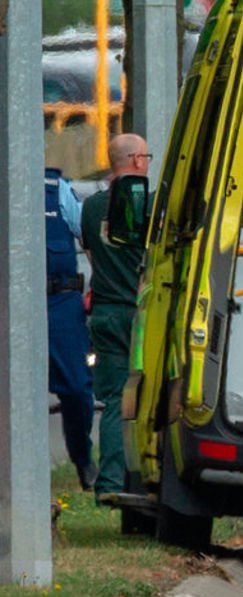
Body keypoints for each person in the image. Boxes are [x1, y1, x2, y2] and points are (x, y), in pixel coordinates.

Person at [81, 133, 151, 503]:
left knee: (112, 400)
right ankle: (142, 478)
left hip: (105, 313)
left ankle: (109, 484)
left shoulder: (91, 207)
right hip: (139, 314)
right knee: (146, 398)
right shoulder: (148, 205)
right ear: (136, 160)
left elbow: (92, 255)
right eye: (147, 157)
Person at [45, 167, 97, 491]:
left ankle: (83, 459)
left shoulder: (56, 188)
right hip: (9, 301)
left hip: (59, 301)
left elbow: (87, 237)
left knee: (77, 387)